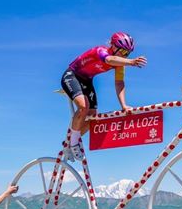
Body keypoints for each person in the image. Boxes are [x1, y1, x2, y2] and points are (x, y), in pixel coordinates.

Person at [61, 31, 147, 159]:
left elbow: (119, 83)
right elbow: (109, 59)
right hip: (72, 76)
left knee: (93, 118)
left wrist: (124, 105)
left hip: (86, 80)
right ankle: (73, 144)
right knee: (84, 107)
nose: (125, 55)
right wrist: (131, 61)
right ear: (113, 46)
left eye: (127, 53)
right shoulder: (100, 50)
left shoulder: (120, 64)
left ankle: (69, 143)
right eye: (123, 52)